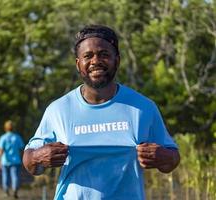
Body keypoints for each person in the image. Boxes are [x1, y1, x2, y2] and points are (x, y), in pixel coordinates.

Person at [23, 25, 180, 200]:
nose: (95, 61)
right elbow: (30, 162)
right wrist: (38, 157)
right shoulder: (58, 109)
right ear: (78, 64)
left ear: (117, 60)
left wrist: (163, 157)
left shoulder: (143, 108)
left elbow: (171, 161)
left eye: (104, 54)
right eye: (88, 56)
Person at [0, 120, 25, 198]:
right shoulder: (17, 137)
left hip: (5, 161)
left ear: (5, 128)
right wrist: (23, 159)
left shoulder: (3, 138)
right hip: (16, 161)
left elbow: (1, 151)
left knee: (5, 176)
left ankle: (6, 191)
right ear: (13, 128)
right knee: (15, 176)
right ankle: (15, 190)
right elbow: (22, 149)